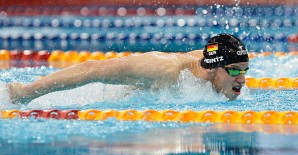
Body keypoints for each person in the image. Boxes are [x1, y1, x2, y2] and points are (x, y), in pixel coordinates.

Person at [8, 33, 249, 104]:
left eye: (245, 71)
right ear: (213, 69)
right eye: (236, 71)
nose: (243, 79)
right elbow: (94, 69)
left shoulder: (216, 74)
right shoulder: (164, 70)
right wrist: (28, 92)